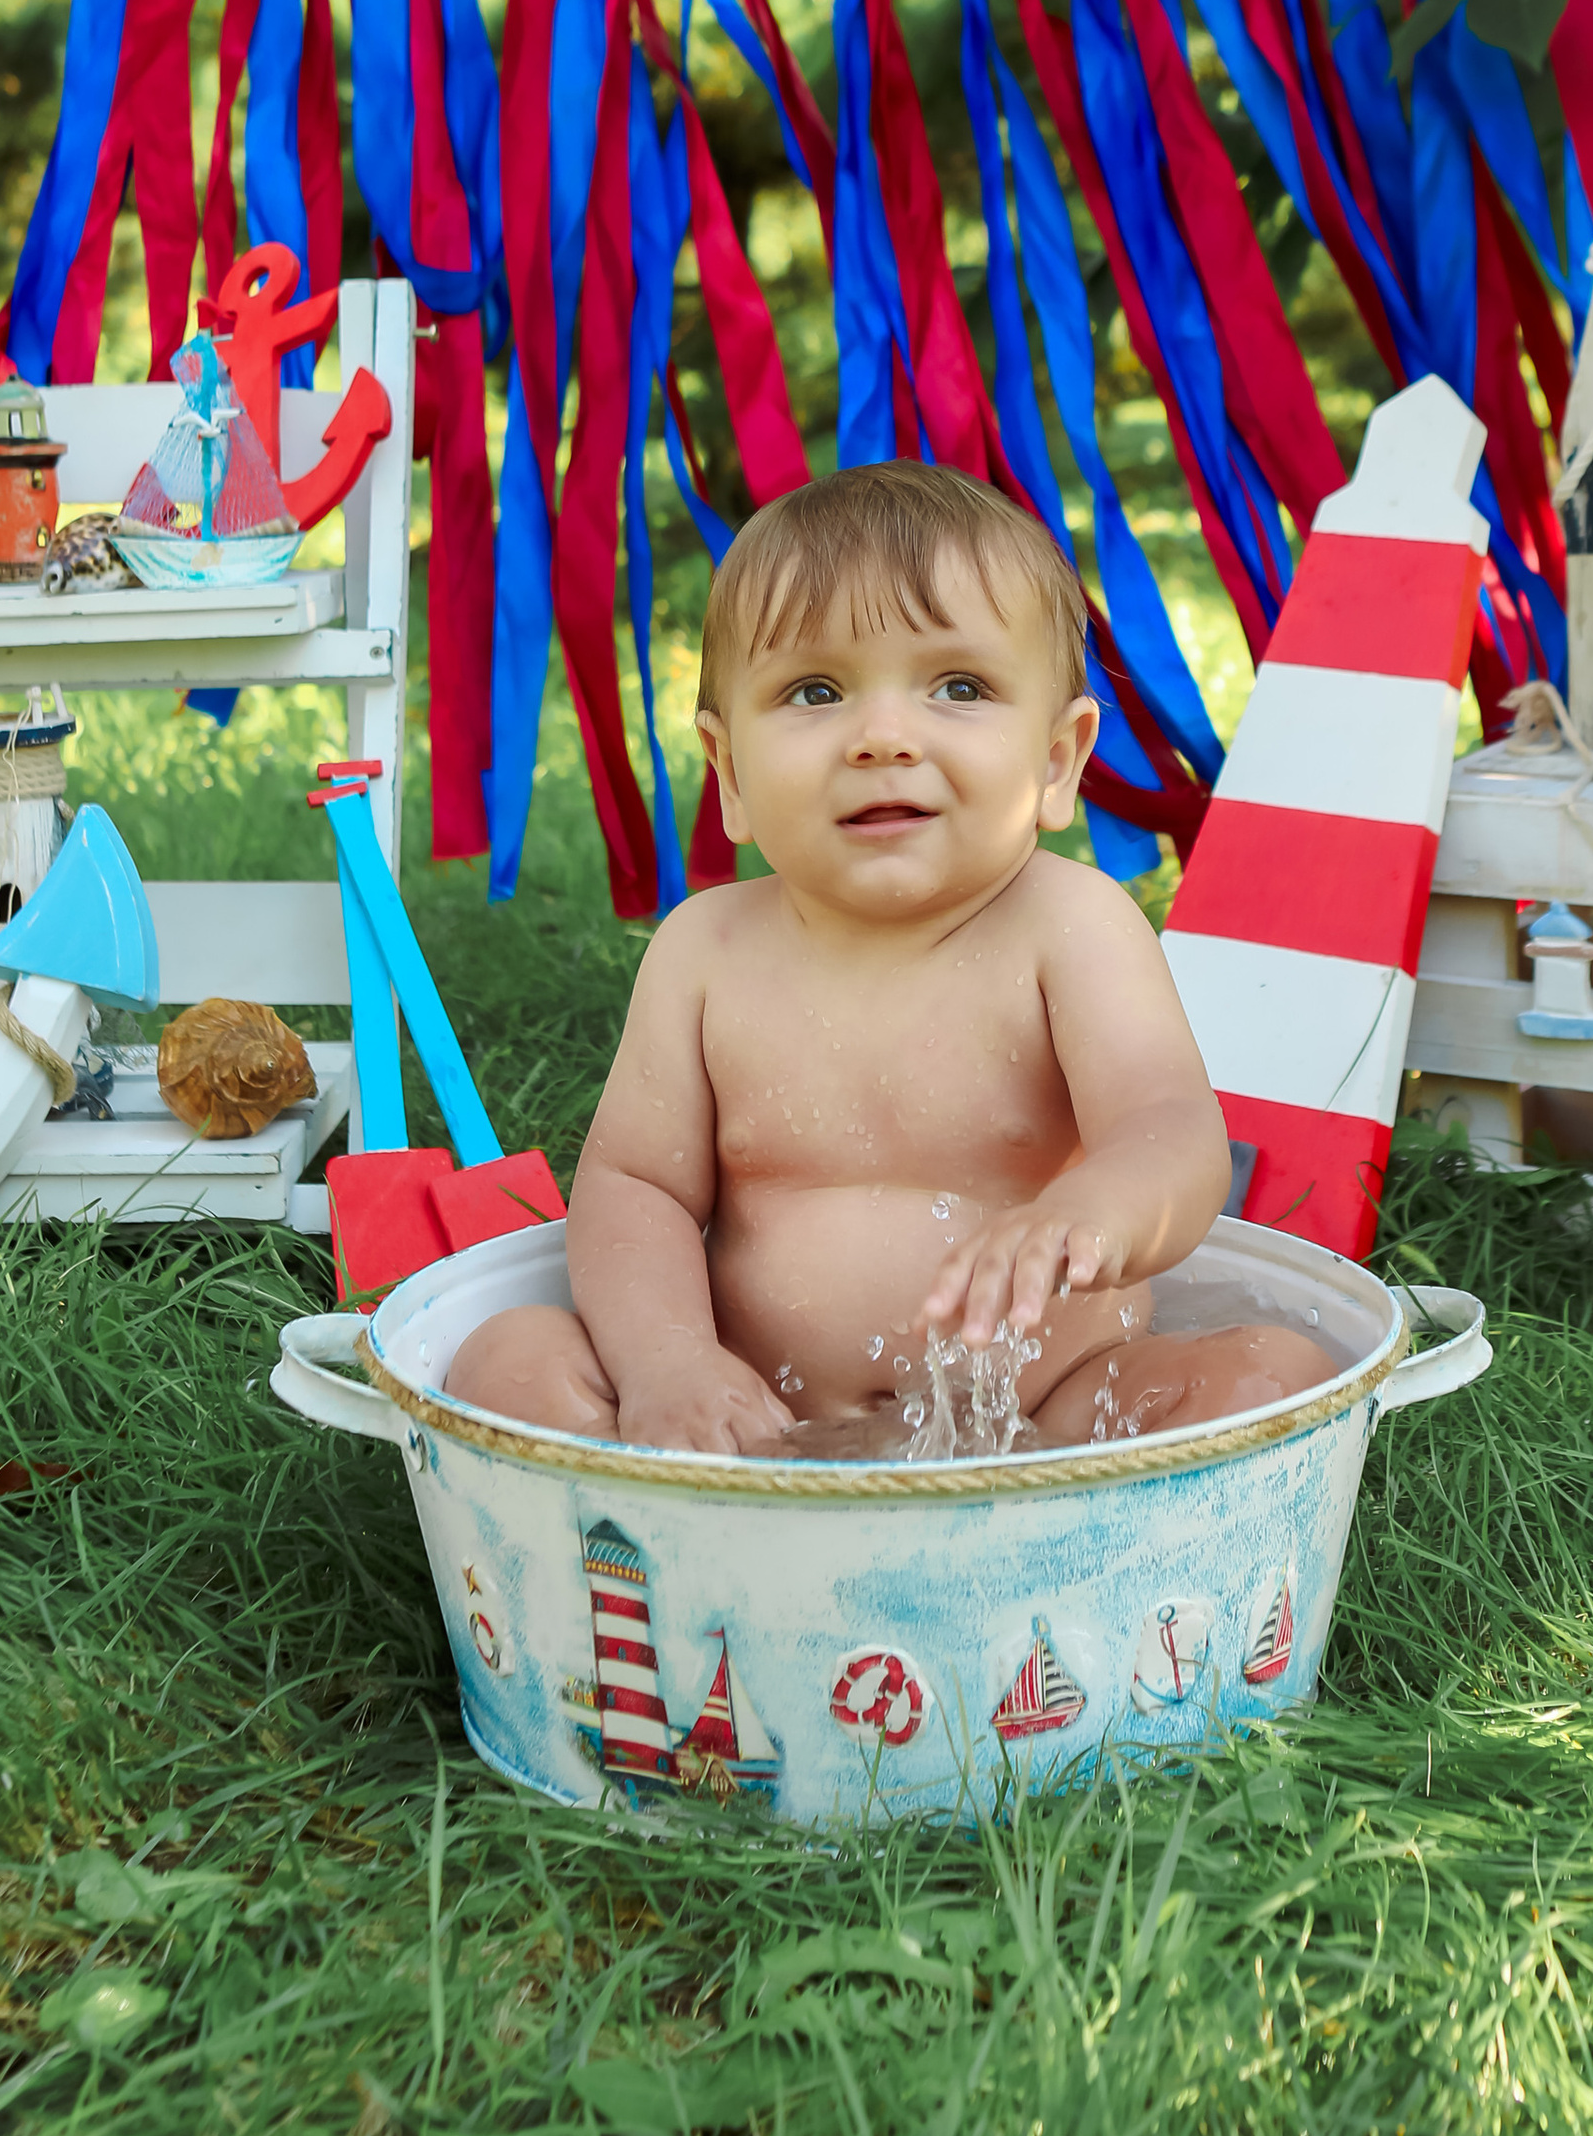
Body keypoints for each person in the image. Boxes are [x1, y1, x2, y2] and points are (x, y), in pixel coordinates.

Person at [443, 463, 1342, 1456]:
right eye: (815, 691)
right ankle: (676, 1509)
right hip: (752, 1422)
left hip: (1045, 1421)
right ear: (730, 772)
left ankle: (1055, 1520)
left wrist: (1094, 1214)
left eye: (959, 687)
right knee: (505, 1358)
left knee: (1276, 1373)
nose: (882, 738)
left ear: (1056, 762)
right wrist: (671, 1363)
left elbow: (1170, 1131)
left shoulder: (1072, 929)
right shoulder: (705, 952)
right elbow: (636, 1189)